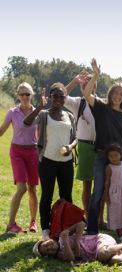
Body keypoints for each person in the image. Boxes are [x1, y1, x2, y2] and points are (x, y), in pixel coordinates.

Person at [83, 59, 122, 235]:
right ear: (110, 95)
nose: (117, 96)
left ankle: (120, 229)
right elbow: (87, 94)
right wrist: (95, 76)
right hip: (102, 156)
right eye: (115, 93)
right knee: (98, 192)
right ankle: (92, 229)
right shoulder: (101, 107)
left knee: (121, 195)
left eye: (121, 93)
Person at [23, 83, 77, 240]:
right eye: (55, 96)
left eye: (62, 96)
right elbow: (26, 123)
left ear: (65, 98)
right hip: (47, 161)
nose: (58, 99)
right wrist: (40, 106)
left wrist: (70, 147)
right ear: (50, 97)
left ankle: (66, 227)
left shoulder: (70, 117)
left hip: (66, 161)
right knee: (47, 195)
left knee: (66, 196)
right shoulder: (44, 115)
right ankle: (46, 230)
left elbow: (75, 138)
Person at [64, 71, 106, 227]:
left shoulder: (102, 102)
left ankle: (100, 219)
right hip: (84, 146)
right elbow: (61, 95)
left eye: (90, 82)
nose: (86, 85)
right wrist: (74, 81)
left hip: (102, 147)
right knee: (87, 185)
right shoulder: (77, 102)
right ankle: (89, 218)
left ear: (95, 84)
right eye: (83, 83)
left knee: (102, 186)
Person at [1, 82, 39, 234]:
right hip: (17, 152)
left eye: (27, 94)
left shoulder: (38, 113)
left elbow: (41, 136)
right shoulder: (12, 112)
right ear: (17, 95)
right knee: (22, 188)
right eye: (22, 94)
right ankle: (11, 224)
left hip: (33, 152)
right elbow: (1, 131)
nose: (24, 97)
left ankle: (33, 222)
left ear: (32, 95)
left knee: (32, 189)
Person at [33, 221, 122, 264]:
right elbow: (71, 259)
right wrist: (66, 241)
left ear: (47, 240)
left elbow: (81, 224)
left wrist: (76, 238)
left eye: (46, 245)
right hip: (99, 253)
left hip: (100, 241)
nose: (50, 248)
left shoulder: (61, 236)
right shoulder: (60, 255)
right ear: (50, 255)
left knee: (102, 254)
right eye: (48, 251)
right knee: (115, 261)